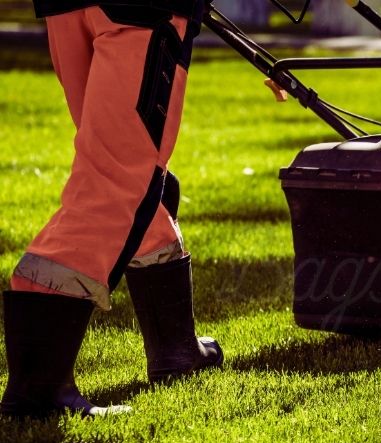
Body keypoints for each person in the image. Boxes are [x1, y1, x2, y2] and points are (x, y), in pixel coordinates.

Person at [0, 0, 222, 418]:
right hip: (139, 8)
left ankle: (175, 349)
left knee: (114, 164)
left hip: (68, 7)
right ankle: (39, 388)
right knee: (116, 181)